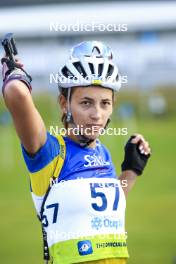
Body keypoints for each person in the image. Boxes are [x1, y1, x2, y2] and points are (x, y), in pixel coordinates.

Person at [1, 40, 151, 264]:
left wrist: (131, 171)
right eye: (86, 103)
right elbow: (17, 95)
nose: (97, 114)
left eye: (105, 103)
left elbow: (104, 214)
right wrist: (14, 75)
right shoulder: (49, 152)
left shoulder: (103, 152)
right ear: (64, 103)